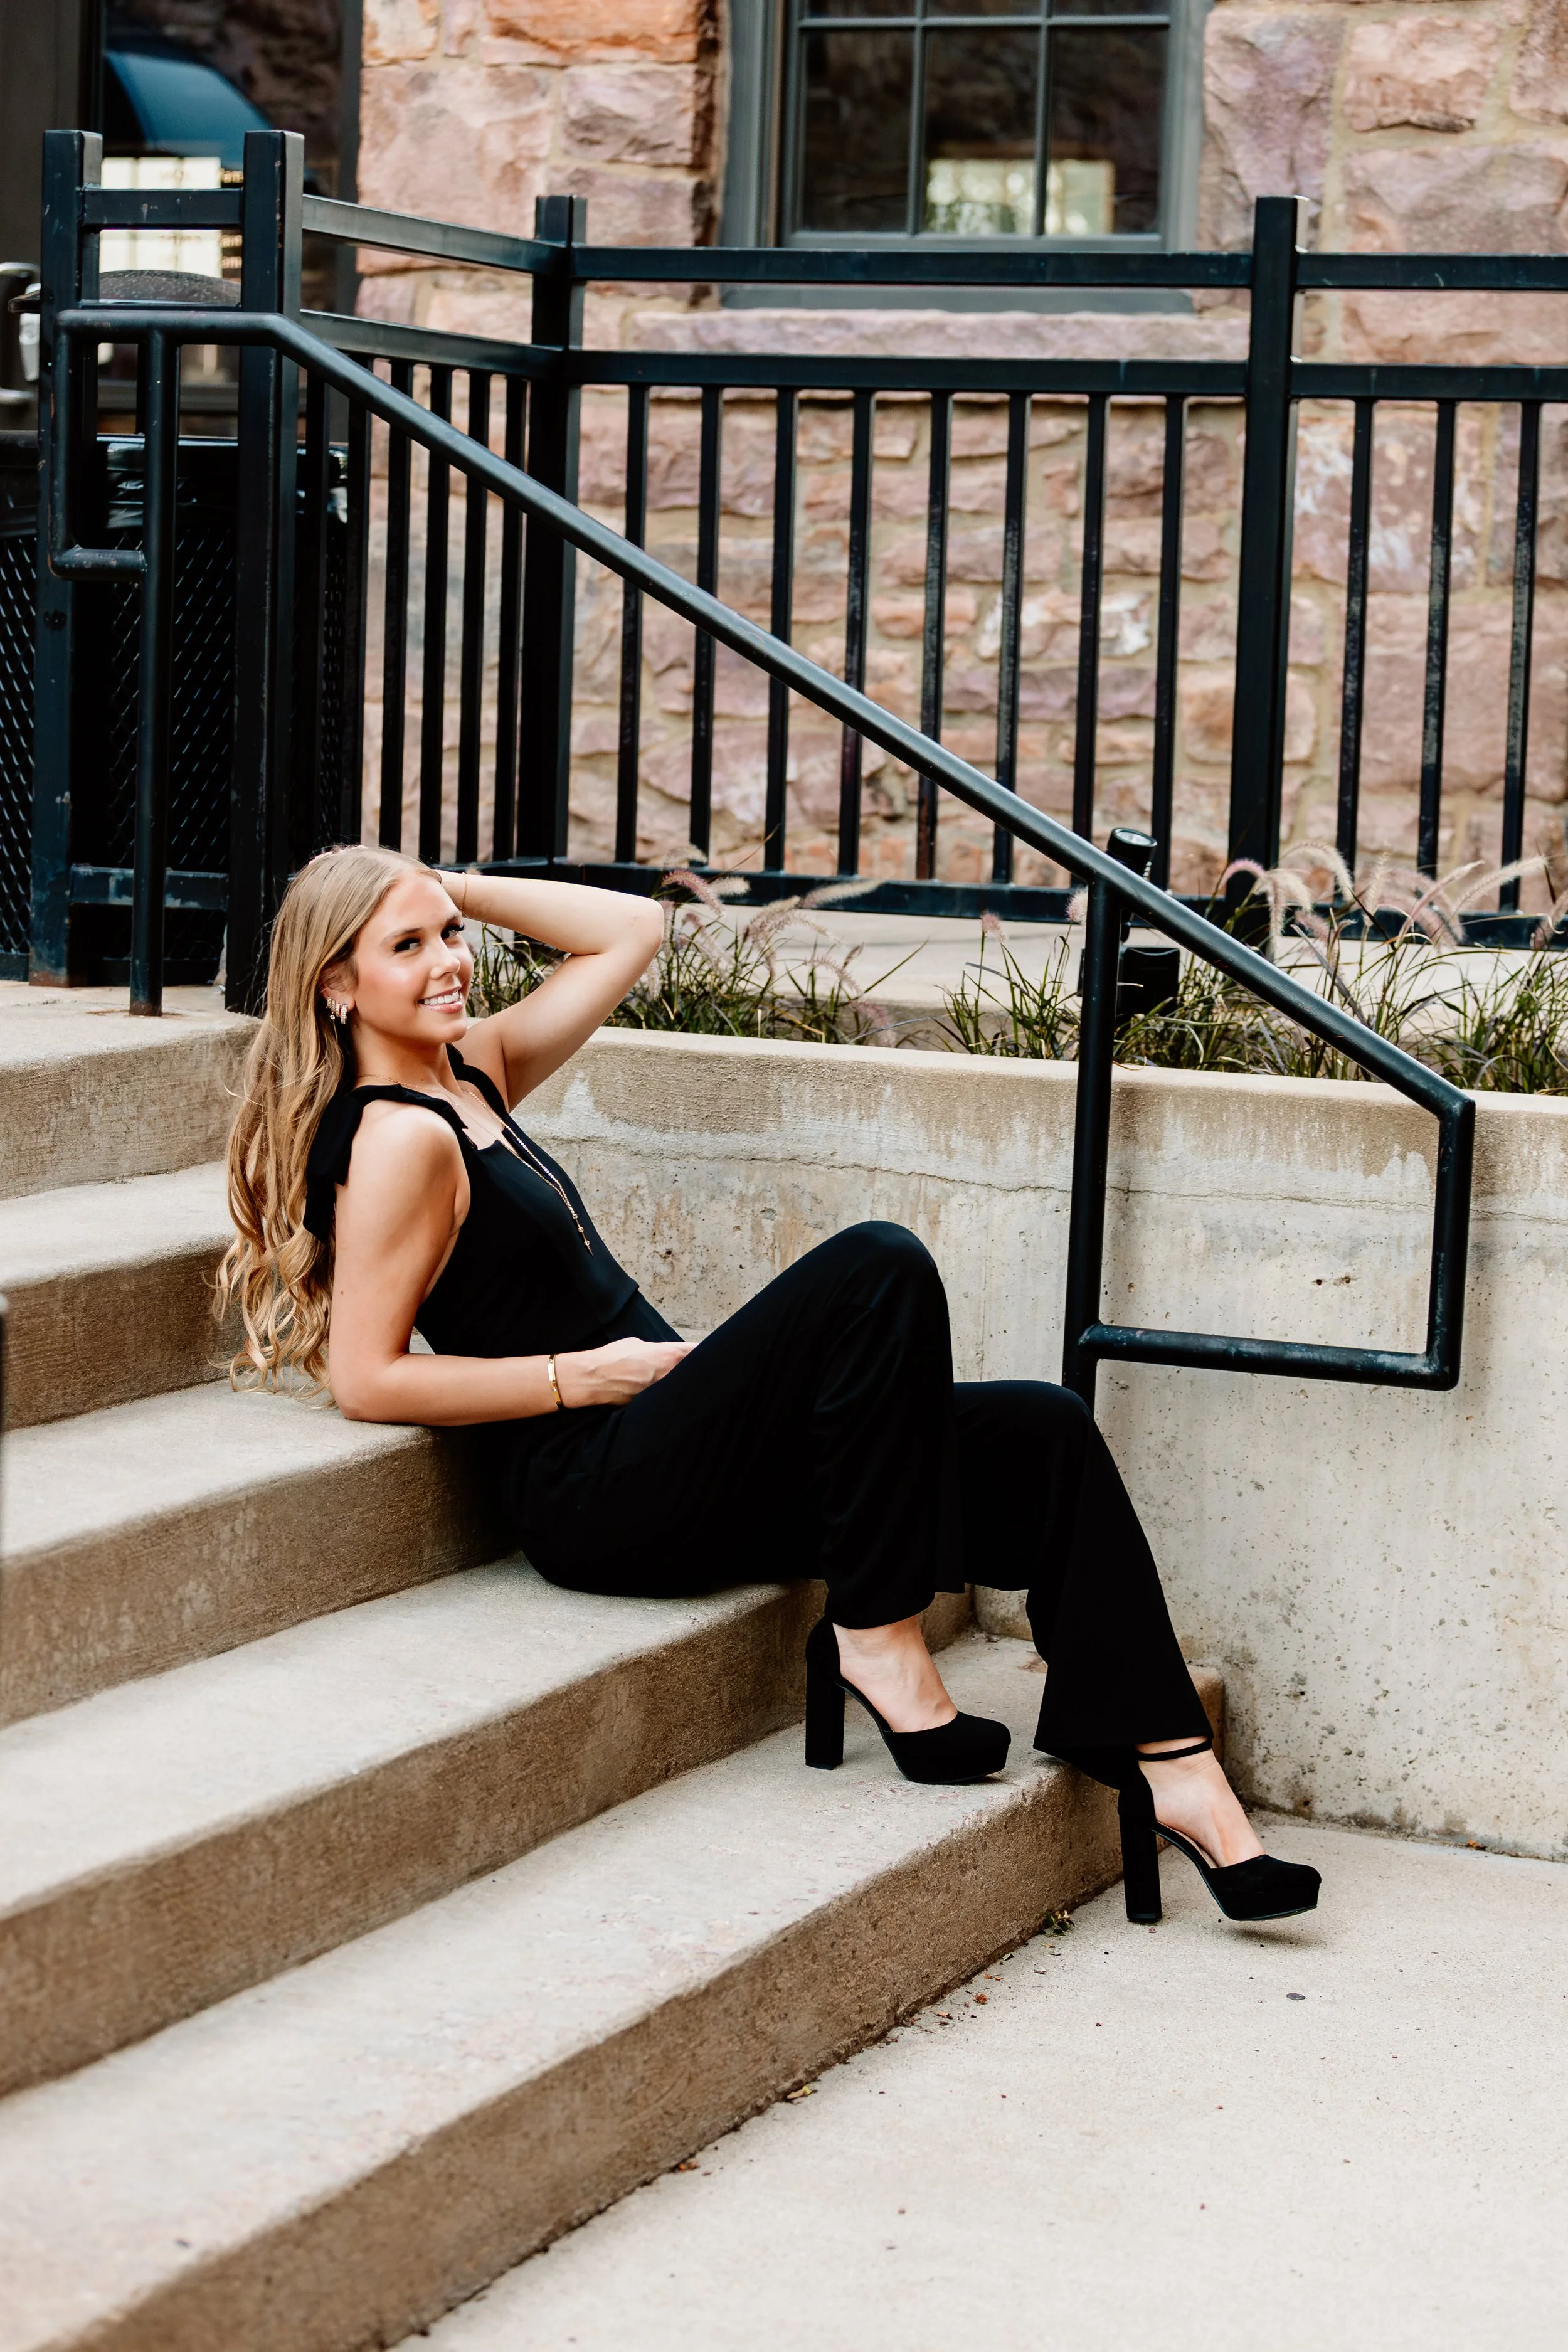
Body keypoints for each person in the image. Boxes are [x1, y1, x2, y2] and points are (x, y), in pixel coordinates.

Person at [219, 845, 1319, 1927]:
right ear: (336, 981)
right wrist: (576, 1376)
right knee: (878, 1264)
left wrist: (433, 881)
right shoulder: (397, 1139)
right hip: (597, 1486)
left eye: (452, 935)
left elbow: (633, 929)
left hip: (665, 1426)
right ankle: (876, 1632)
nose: (450, 960)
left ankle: (1178, 1770)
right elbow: (367, 1376)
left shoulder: (472, 1070)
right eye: (406, 946)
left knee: (1044, 1428)